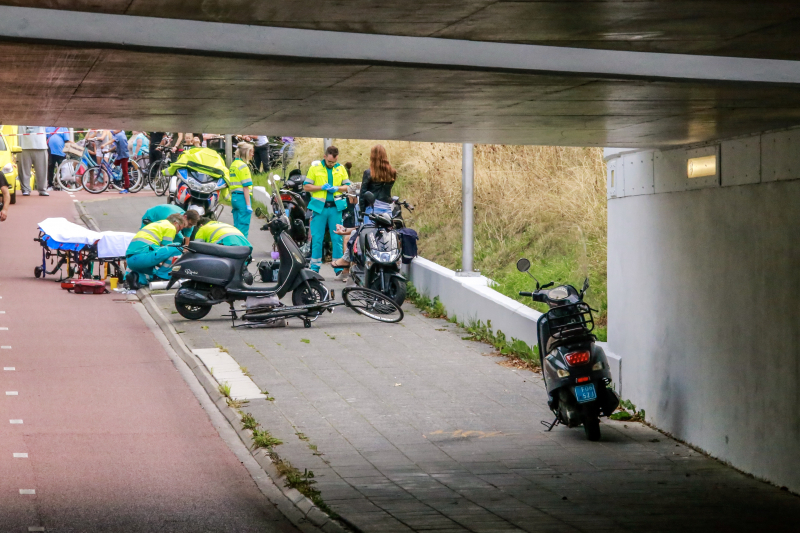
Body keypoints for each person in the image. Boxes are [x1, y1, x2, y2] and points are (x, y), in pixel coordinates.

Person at [303, 145, 351, 277]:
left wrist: (337, 188)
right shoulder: (315, 168)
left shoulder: (340, 168)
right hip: (319, 208)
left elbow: (348, 187)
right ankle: (315, 267)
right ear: (325, 157)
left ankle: (338, 267)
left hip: (336, 208)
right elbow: (306, 186)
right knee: (317, 238)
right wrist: (321, 187)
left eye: (334, 162)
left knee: (337, 239)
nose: (331, 164)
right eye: (330, 162)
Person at [125, 213, 187, 288]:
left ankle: (136, 277)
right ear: (175, 223)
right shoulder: (170, 227)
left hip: (132, 261)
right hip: (142, 257)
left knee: (152, 275)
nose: (178, 232)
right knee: (177, 247)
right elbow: (167, 247)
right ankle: (162, 276)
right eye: (179, 229)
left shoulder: (158, 224)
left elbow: (161, 250)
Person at [359, 144, 397, 216]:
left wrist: (362, 213)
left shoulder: (368, 173)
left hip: (372, 210)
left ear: (372, 156)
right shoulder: (392, 173)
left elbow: (362, 195)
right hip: (387, 209)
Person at [227, 142, 254, 238]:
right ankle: (243, 250)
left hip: (234, 198)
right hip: (242, 198)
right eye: (251, 152)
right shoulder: (243, 166)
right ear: (246, 152)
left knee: (237, 227)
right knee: (243, 227)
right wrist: (248, 205)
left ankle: (235, 248)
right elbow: (245, 187)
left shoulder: (234, 164)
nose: (252, 154)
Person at [17, 126, 48, 196]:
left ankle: (42, 189)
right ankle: (25, 189)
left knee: (42, 170)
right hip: (24, 146)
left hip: (41, 146)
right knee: (24, 170)